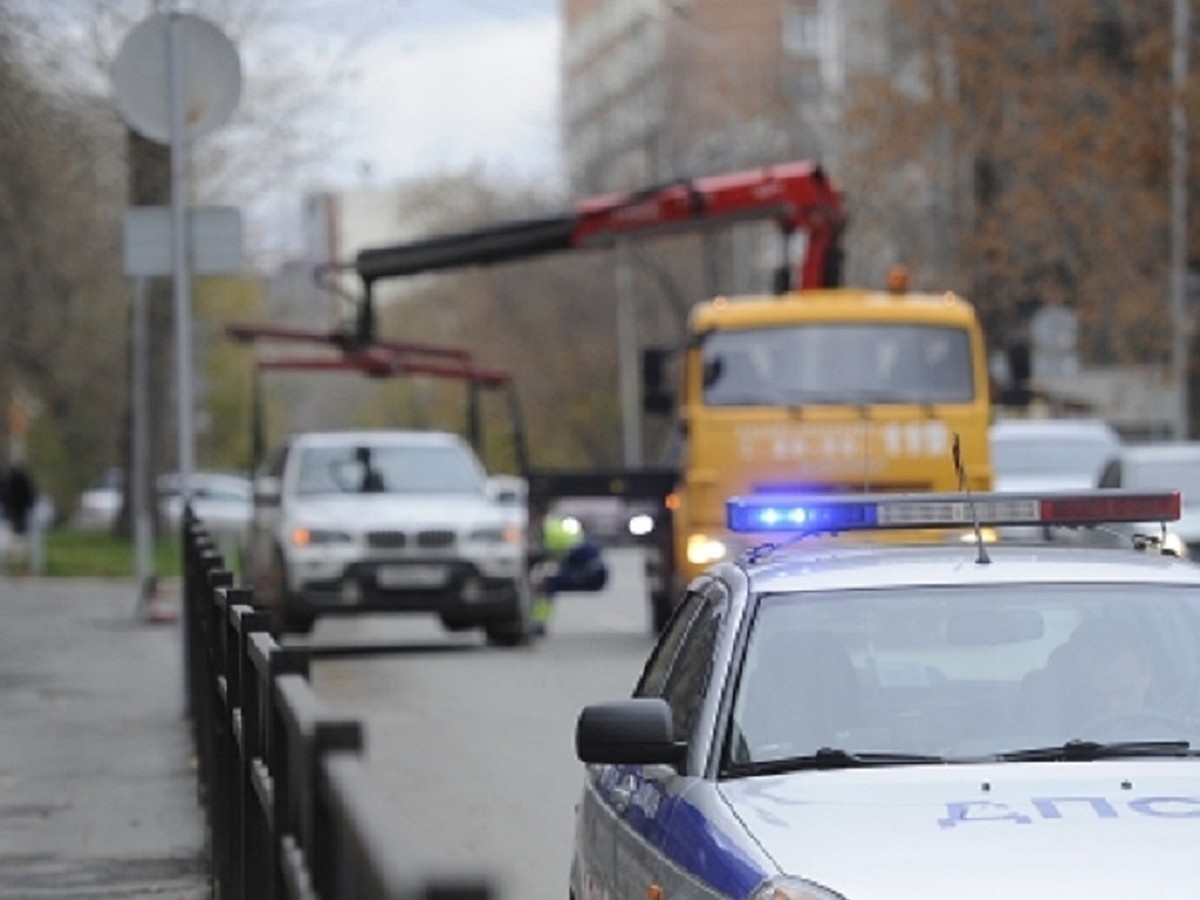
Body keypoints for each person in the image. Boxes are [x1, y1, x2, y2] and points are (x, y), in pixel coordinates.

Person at [529, 515, 608, 636]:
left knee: (546, 585)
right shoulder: (556, 527)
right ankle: (538, 622)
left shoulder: (551, 535)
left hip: (591, 575)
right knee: (547, 582)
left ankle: (540, 624)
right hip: (596, 572)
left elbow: (547, 556)